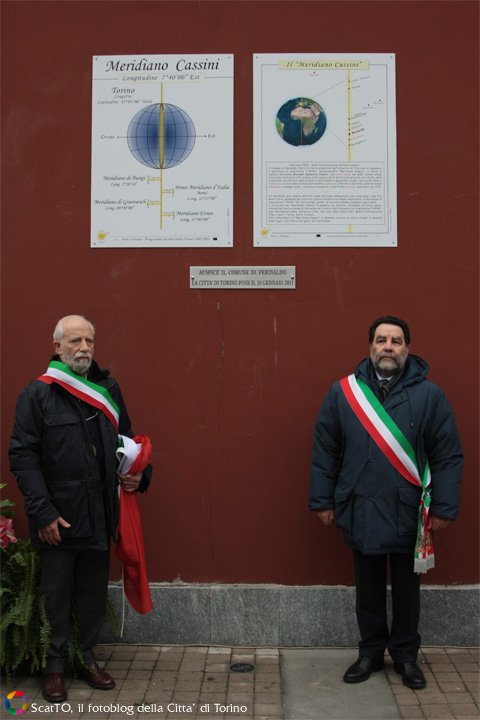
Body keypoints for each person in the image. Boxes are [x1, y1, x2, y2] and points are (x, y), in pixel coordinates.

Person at [309, 316, 462, 690]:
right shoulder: (343, 394)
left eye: (396, 340)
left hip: (410, 509)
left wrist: (444, 507)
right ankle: (371, 652)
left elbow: (447, 455)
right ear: (370, 347)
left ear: (407, 348)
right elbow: (326, 450)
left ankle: (406, 657)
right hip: (361, 506)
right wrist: (322, 500)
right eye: (381, 340)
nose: (388, 347)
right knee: (368, 588)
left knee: (408, 591)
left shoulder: (430, 396)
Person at [9, 315, 152, 703]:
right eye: (75, 341)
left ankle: (85, 657)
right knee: (55, 593)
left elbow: (126, 441)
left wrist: (140, 474)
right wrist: (43, 512)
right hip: (58, 516)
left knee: (92, 591)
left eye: (89, 340)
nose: (84, 348)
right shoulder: (37, 395)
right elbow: (23, 456)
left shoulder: (107, 389)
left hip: (100, 511)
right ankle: (54, 667)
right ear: (57, 347)